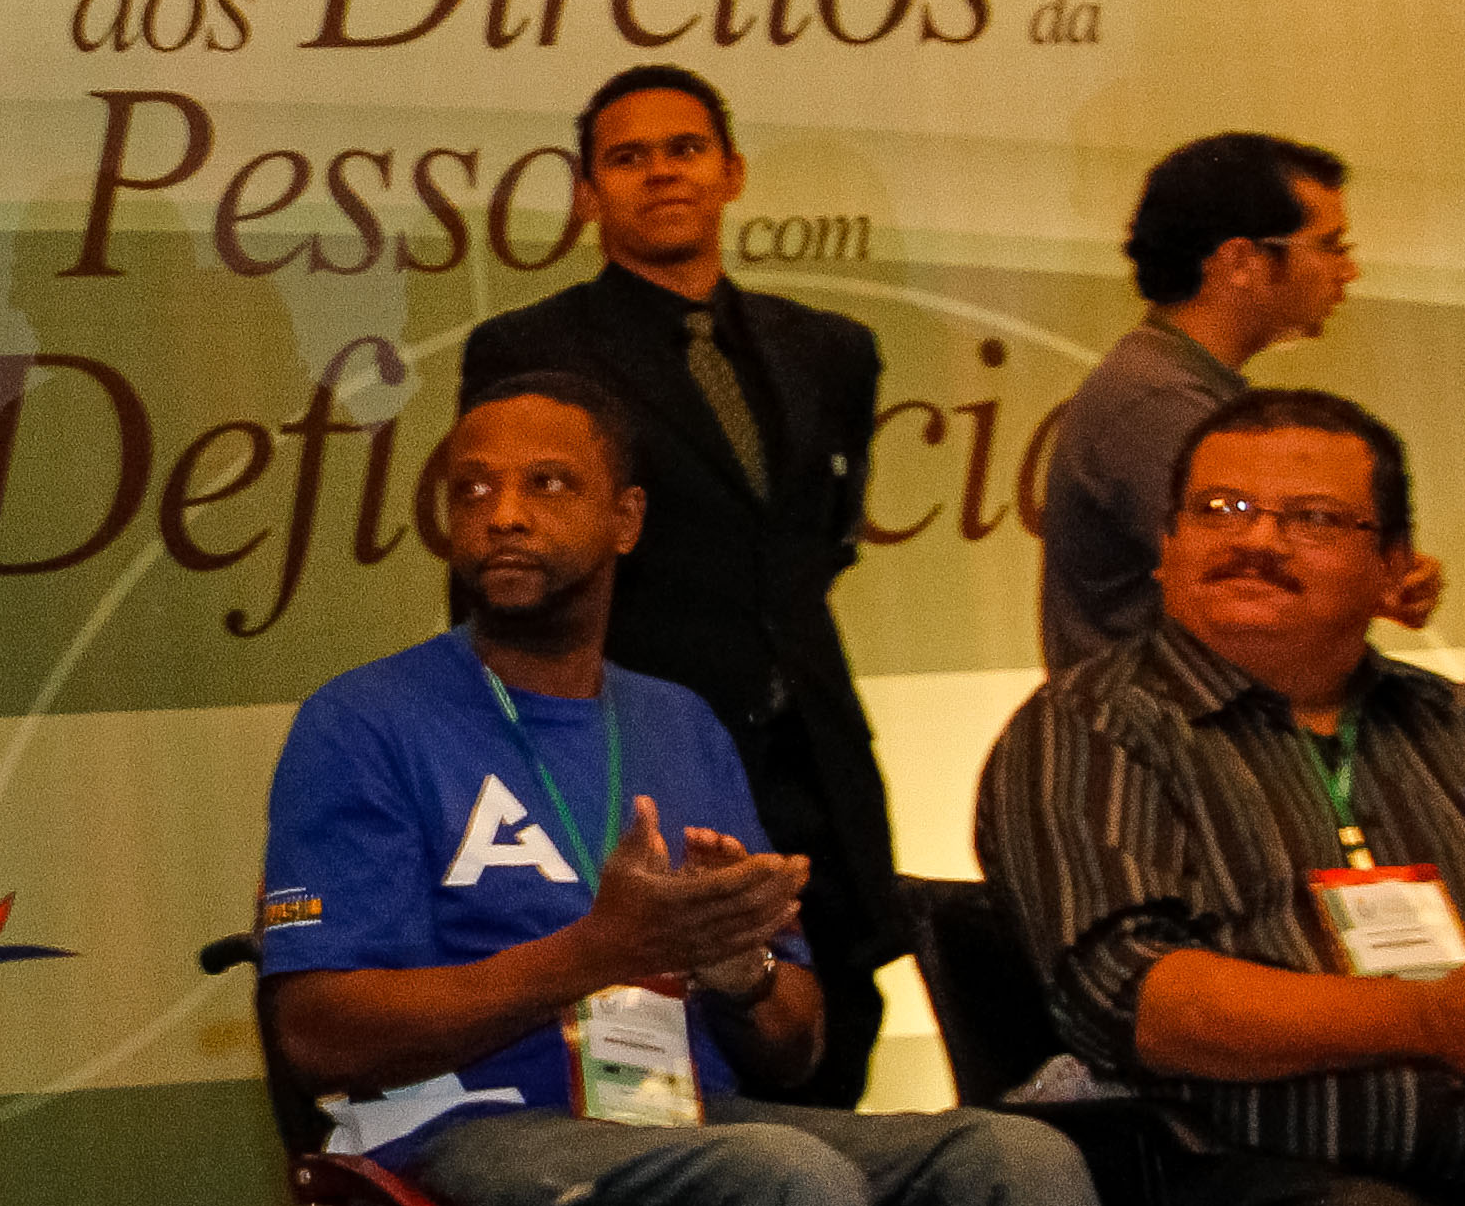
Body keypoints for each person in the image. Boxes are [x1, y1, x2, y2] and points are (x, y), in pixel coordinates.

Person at [259, 374, 1084, 1204]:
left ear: (626, 519)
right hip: (464, 1130)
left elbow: (794, 1048)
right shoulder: (363, 722)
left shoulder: (680, 724)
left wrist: (741, 971)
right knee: (784, 1173)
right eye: (472, 489)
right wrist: (600, 950)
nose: (503, 513)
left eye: (547, 483)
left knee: (1013, 1155)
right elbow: (319, 1035)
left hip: (684, 1120)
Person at [458, 64, 897, 1107]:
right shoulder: (530, 349)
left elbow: (815, 546)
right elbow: (506, 573)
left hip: (815, 774)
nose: (661, 172)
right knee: (660, 1099)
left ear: (730, 172)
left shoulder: (832, 350)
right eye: (628, 156)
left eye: (685, 148)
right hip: (638, 767)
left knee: (834, 1064)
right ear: (585, 194)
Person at [983, 389, 1465, 1202]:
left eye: (1312, 518)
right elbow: (1131, 996)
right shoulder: (1095, 724)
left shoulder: (1445, 720)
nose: (1256, 540)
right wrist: (1428, 1020)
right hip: (1223, 1171)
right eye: (1219, 509)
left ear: (1393, 565)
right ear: (1167, 546)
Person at [1039, 133, 1436, 671]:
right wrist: (1376, 575)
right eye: (1330, 246)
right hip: (1168, 719)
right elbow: (1265, 579)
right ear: (1241, 261)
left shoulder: (1176, 383)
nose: (1348, 271)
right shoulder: (1159, 401)